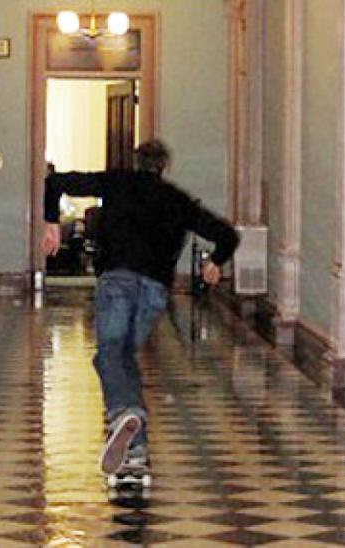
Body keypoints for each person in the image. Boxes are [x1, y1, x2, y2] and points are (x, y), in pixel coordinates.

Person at [41, 140, 239, 476]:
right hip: (154, 290)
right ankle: (136, 447)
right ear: (165, 168)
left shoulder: (116, 181)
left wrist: (51, 225)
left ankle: (125, 411)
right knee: (123, 360)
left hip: (117, 280)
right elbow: (227, 235)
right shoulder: (178, 200)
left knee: (108, 355)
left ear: (136, 162)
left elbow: (54, 182)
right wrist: (215, 263)